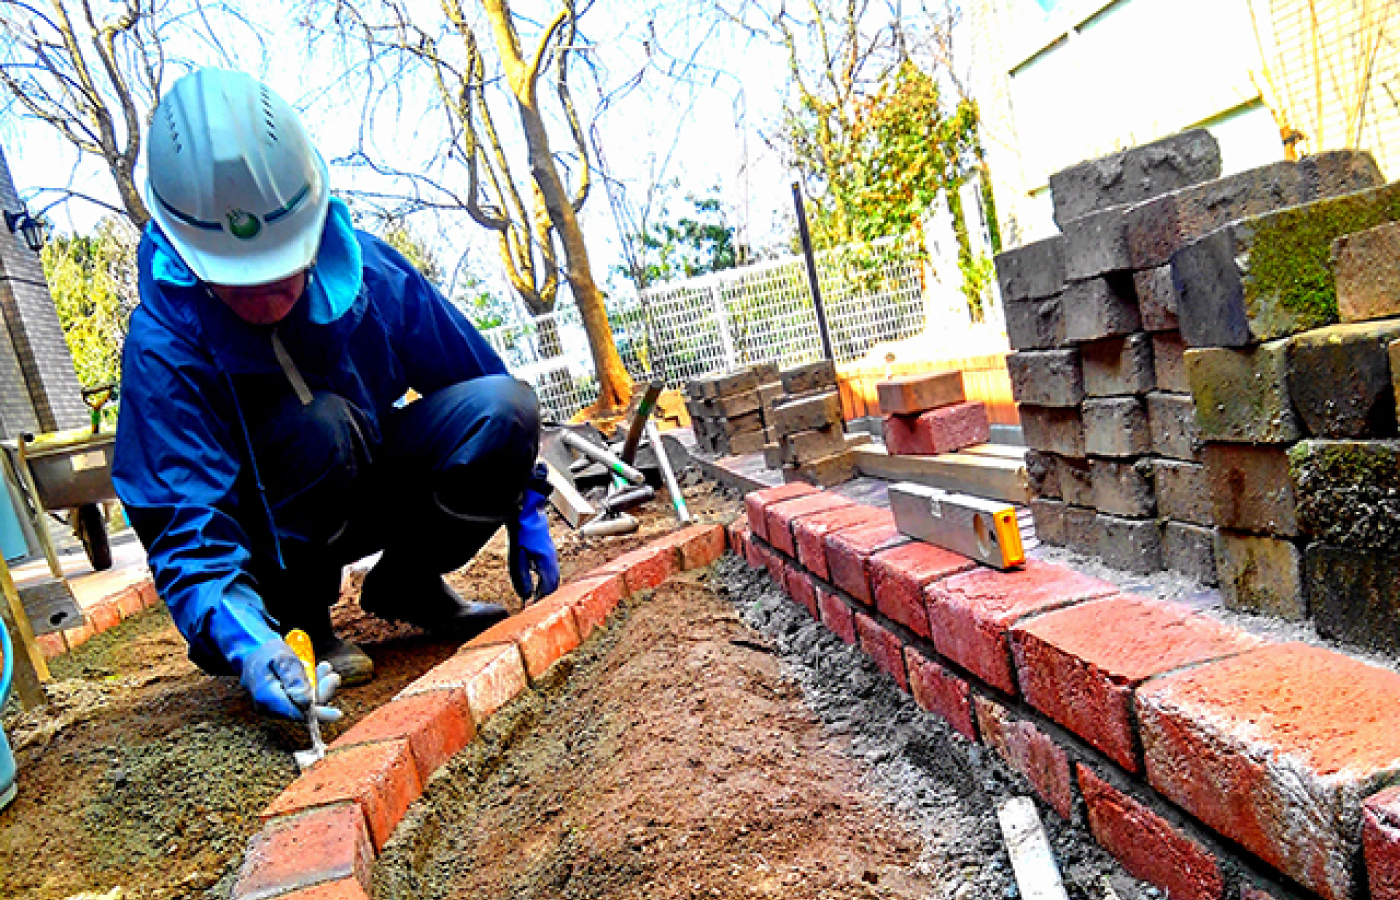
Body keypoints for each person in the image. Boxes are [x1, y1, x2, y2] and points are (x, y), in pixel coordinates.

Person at [112, 68, 560, 723]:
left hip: (366, 475)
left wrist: (522, 497)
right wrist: (244, 638)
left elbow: (477, 380)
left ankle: (408, 582)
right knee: (316, 424)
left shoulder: (368, 270)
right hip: (268, 535)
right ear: (191, 257)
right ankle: (301, 624)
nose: (265, 298)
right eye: (239, 283)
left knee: (504, 409)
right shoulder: (163, 348)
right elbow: (186, 526)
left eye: (278, 270)